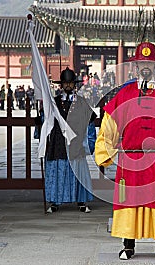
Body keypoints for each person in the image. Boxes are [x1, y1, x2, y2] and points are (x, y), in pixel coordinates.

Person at [95, 42, 155, 260]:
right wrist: (107, 150)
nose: (146, 67)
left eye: (150, 63)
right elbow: (109, 122)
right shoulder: (125, 93)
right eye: (142, 63)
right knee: (129, 200)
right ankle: (128, 244)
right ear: (136, 66)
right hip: (130, 159)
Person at [44, 67, 95, 213]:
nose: (68, 85)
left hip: (76, 141)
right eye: (65, 83)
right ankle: (54, 202)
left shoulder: (81, 102)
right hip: (58, 141)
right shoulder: (54, 102)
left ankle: (81, 201)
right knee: (57, 170)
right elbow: (46, 120)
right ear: (61, 85)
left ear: (75, 84)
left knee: (78, 171)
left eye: (70, 83)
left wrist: (89, 144)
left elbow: (90, 122)